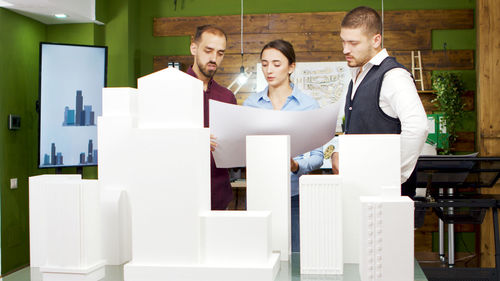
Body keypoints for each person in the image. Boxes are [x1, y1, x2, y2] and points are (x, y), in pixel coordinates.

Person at [332, 6, 428, 197]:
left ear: (376, 40)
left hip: (387, 194)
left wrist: (393, 175)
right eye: (343, 42)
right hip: (359, 189)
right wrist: (340, 152)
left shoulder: (394, 76)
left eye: (353, 43)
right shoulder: (357, 75)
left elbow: (418, 127)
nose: (345, 49)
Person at [244, 39, 324, 252]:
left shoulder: (309, 105)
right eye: (264, 63)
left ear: (291, 67)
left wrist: (295, 166)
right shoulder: (250, 105)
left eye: (277, 64)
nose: (269, 70)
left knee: (296, 256)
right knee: (258, 255)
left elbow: (318, 157)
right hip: (259, 195)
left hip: (295, 197)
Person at [187, 25, 237, 210]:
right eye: (208, 51)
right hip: (181, 194)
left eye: (220, 53)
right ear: (194, 48)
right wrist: (196, 139)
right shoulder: (173, 90)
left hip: (218, 196)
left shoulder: (227, 97)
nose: (214, 58)